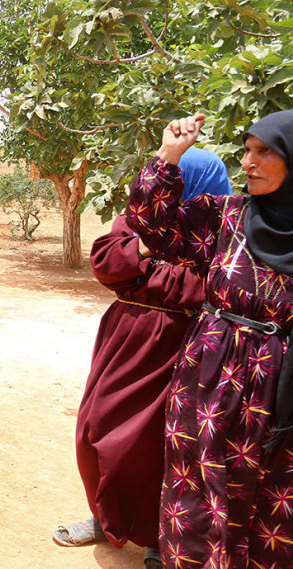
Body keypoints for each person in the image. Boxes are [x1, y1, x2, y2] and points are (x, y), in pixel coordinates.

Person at [125, 111, 293, 566]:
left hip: (280, 391)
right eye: (247, 150)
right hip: (208, 377)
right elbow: (150, 223)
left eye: (265, 152)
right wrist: (169, 154)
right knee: (197, 492)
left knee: (269, 502)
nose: (249, 162)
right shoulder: (227, 217)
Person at [53, 149, 232, 568]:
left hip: (186, 343)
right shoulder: (140, 216)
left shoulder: (224, 228)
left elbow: (210, 284)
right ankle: (103, 516)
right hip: (126, 336)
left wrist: (144, 261)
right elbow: (106, 264)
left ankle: (159, 535)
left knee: (160, 442)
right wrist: (152, 240)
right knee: (95, 429)